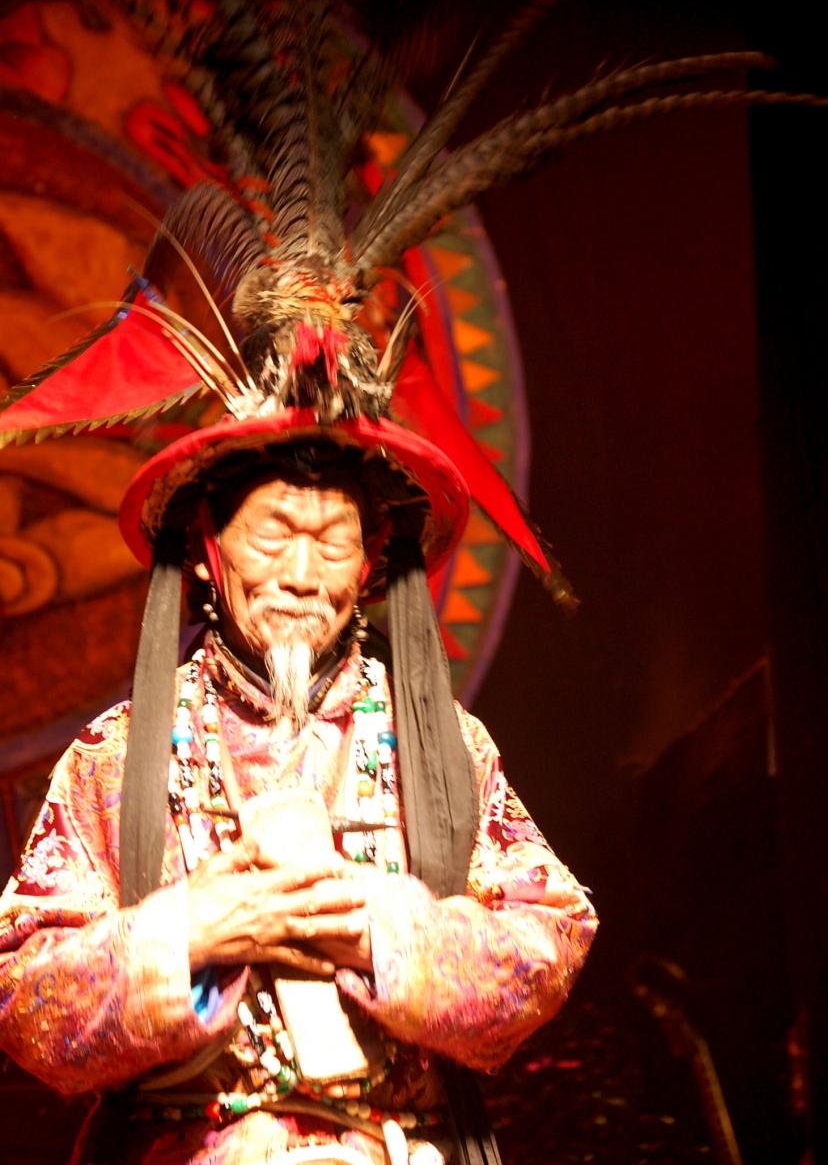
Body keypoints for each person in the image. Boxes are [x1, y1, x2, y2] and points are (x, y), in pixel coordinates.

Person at [0, 431, 597, 1165]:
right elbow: (19, 996)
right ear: (206, 547)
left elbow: (549, 940)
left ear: (371, 560)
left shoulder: (445, 748)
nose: (304, 575)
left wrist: (382, 933)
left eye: (334, 543)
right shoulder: (116, 756)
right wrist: (188, 931)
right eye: (273, 536)